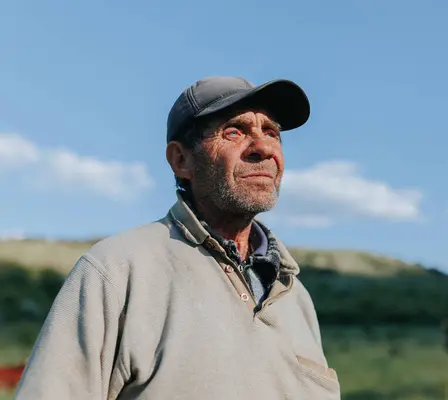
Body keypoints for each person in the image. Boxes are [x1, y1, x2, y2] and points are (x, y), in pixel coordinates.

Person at [15, 76, 340, 400]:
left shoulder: (296, 298)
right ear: (181, 160)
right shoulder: (116, 271)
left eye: (271, 132)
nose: (264, 148)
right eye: (235, 131)